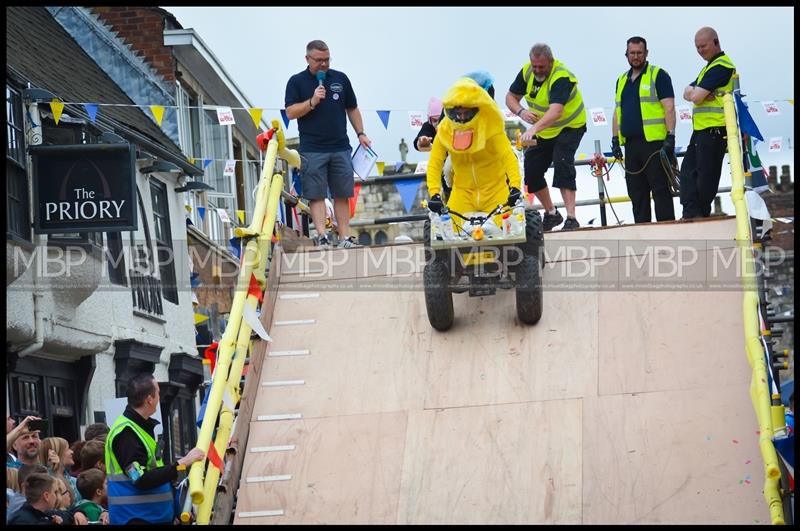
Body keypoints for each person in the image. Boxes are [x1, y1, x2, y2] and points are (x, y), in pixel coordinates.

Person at [285, 39, 372, 249]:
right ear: (307, 59)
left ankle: (344, 238)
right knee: (316, 195)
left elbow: (352, 108)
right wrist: (312, 102)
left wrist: (361, 133)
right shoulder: (296, 82)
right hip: (312, 148)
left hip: (340, 146)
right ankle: (322, 237)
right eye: (318, 60)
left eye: (327, 60)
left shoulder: (341, 79)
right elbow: (290, 112)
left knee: (343, 193)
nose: (324, 64)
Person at [426, 76, 524, 232]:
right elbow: (434, 163)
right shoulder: (445, 130)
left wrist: (515, 188)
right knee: (446, 232)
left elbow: (508, 158)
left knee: (511, 231)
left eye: (467, 113)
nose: (462, 117)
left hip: (495, 192)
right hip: (462, 193)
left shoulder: (491, 125)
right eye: (458, 113)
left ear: (477, 108)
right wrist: (434, 194)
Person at [104, 373, 205, 525]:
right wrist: (182, 463)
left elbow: (155, 473)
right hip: (136, 519)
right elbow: (140, 478)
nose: (159, 397)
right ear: (149, 399)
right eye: (158, 392)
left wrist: (175, 509)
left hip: (150, 517)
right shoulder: (126, 434)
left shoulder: (139, 428)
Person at [507, 43, 587, 231]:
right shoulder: (527, 72)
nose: (537, 70)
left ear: (550, 62)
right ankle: (552, 214)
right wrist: (521, 111)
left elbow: (556, 111)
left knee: (562, 161)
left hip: (570, 126)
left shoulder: (561, 76)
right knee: (532, 169)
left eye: (541, 67)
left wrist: (533, 129)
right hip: (545, 130)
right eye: (534, 66)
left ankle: (571, 217)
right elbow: (510, 97)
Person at [611, 36, 677, 223]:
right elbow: (617, 112)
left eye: (639, 53)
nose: (636, 56)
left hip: (655, 144)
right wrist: (615, 139)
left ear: (646, 53)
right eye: (632, 53)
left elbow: (669, 107)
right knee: (636, 193)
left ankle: (667, 230)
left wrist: (670, 137)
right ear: (626, 55)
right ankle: (642, 232)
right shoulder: (621, 80)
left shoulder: (658, 75)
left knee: (660, 190)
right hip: (631, 145)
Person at [679, 27, 736, 219]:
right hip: (702, 129)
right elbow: (687, 92)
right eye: (697, 48)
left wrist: (695, 93)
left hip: (715, 129)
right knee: (688, 172)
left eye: (703, 46)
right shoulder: (708, 68)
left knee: (705, 176)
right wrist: (696, 92)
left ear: (716, 42)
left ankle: (698, 213)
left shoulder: (722, 66)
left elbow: (694, 96)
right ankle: (690, 213)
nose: (700, 51)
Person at [38, 436, 80, 506]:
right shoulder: (42, 482)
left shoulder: (73, 480)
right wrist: (55, 471)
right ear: (55, 453)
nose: (72, 452)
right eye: (67, 449)